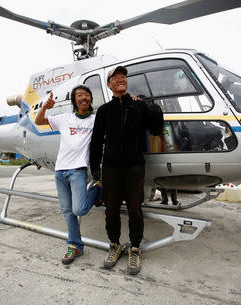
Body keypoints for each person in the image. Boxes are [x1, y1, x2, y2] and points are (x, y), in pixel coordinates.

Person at [89, 66, 164, 275]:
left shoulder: (140, 107)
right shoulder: (104, 111)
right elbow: (96, 142)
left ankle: (135, 248)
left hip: (134, 166)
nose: (121, 79)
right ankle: (115, 245)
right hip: (110, 168)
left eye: (124, 77)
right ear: (109, 84)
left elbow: (157, 129)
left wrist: (154, 108)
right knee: (111, 210)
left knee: (135, 210)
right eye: (116, 77)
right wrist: (95, 168)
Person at [35, 85, 101, 265]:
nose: (84, 97)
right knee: (67, 211)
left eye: (87, 94)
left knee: (79, 209)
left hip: (78, 170)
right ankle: (75, 245)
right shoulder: (64, 118)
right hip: (60, 170)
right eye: (80, 95)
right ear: (74, 100)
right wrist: (45, 107)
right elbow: (38, 121)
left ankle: (97, 190)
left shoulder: (96, 119)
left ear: (90, 99)